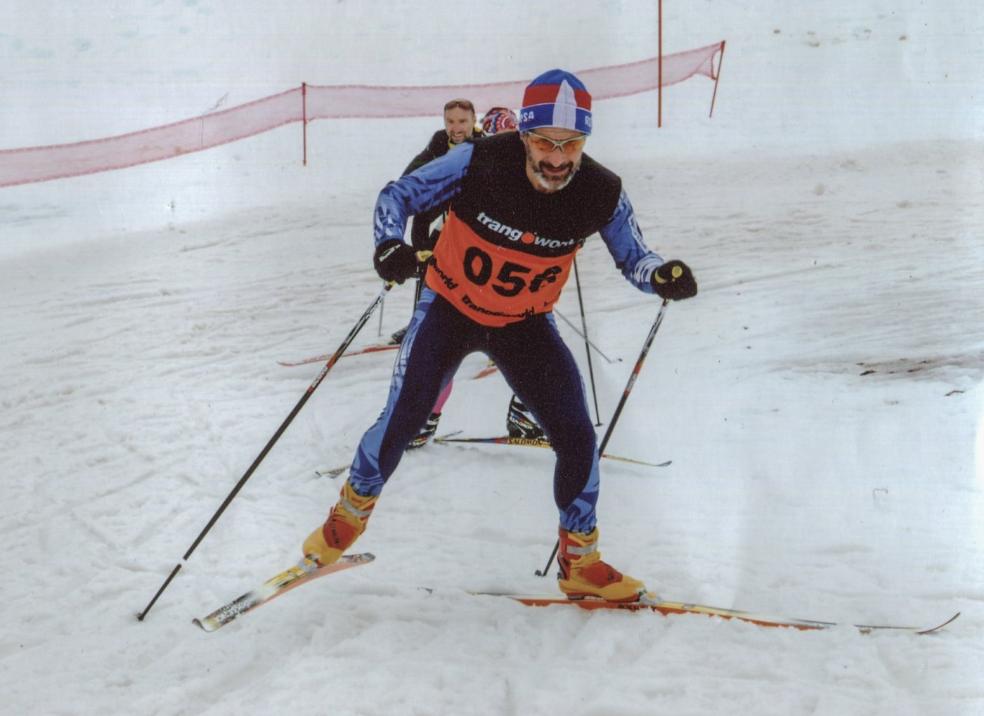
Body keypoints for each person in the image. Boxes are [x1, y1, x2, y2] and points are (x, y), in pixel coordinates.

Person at [304, 69, 697, 602]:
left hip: (523, 325)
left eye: (571, 145)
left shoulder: (602, 191)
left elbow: (635, 257)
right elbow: (396, 197)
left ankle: (580, 561)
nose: (557, 159)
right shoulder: (480, 160)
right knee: (405, 418)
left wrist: (661, 275)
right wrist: (387, 245)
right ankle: (348, 517)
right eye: (544, 143)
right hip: (449, 310)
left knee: (577, 434)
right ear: (524, 136)